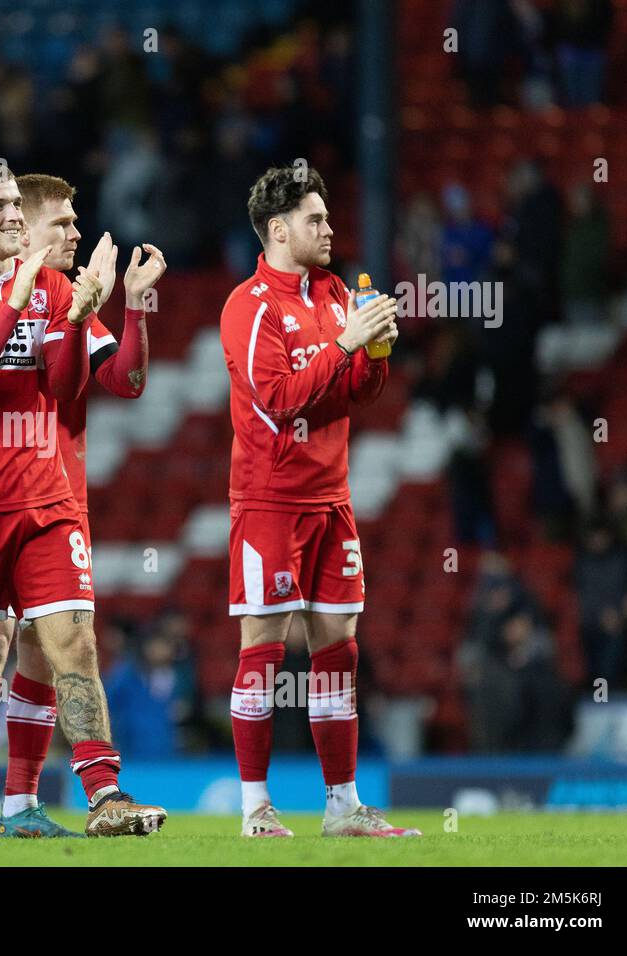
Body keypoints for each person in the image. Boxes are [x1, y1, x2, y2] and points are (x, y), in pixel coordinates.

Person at [0, 160, 166, 838]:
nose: (13, 214)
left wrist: (81, 314)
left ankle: (104, 793)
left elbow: (64, 386)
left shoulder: (52, 288)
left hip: (47, 498)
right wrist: (18, 296)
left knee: (72, 643)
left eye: (15, 203)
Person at [219, 164, 417, 838]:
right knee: (264, 654)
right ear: (278, 230)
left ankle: (341, 806)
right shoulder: (248, 306)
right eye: (315, 220)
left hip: (333, 500)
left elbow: (353, 394)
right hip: (271, 503)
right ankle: (255, 808)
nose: (329, 229)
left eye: (328, 218)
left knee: (339, 652)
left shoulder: (334, 292)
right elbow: (277, 400)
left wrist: (377, 353)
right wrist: (345, 343)